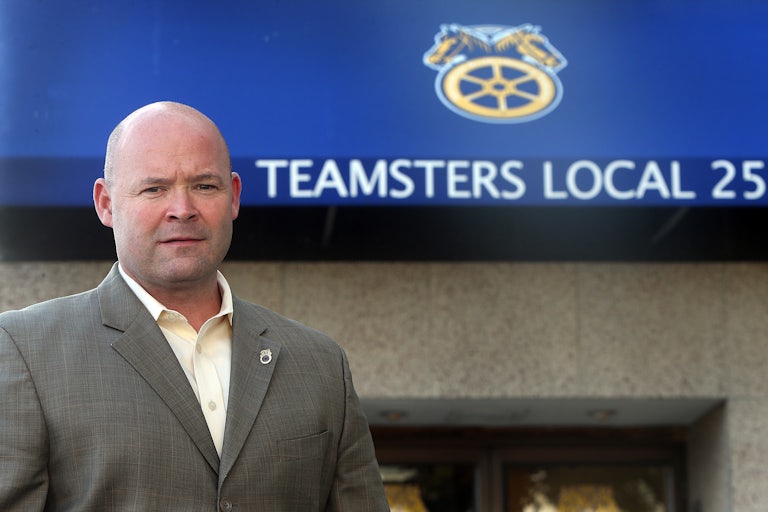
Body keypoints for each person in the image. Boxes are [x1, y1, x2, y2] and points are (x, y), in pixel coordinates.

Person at [0, 101, 390, 511]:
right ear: (106, 204)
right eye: (154, 188)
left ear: (234, 197)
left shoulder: (320, 364)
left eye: (205, 186)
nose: (182, 210)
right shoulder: (25, 351)